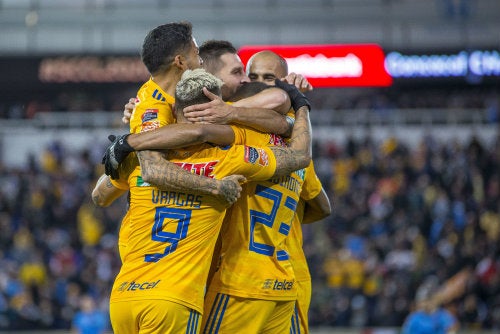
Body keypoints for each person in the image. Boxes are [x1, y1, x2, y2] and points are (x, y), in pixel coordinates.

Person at [95, 68, 312, 333]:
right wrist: (299, 107)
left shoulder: (139, 160)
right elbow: (301, 159)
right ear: (214, 110)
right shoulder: (230, 161)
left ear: (174, 109)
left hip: (125, 294)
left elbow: (99, 195)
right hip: (181, 297)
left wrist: (133, 136)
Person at [246, 50, 332, 334]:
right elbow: (321, 205)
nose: (259, 83)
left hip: (280, 275)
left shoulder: (236, 132)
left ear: (283, 83)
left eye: (268, 78)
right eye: (252, 77)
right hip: (256, 276)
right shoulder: (294, 143)